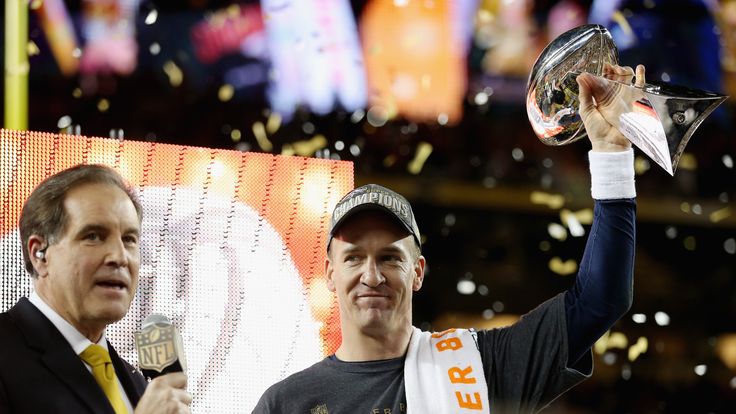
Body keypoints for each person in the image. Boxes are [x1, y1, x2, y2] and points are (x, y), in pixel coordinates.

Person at [253, 64, 646, 414]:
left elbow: (601, 300)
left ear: (418, 272)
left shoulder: (482, 364)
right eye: (354, 258)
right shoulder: (286, 403)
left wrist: (611, 155)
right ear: (330, 274)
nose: (372, 275)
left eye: (390, 258)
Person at [0, 164, 192, 414]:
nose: (119, 257)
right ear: (40, 254)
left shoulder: (136, 383)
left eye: (129, 239)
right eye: (93, 236)